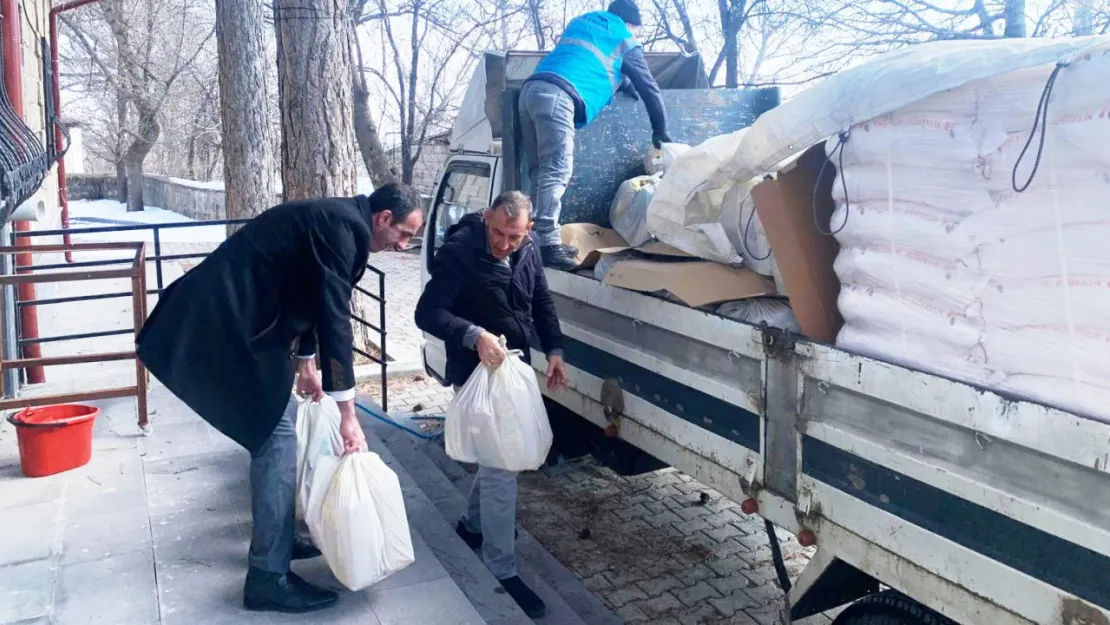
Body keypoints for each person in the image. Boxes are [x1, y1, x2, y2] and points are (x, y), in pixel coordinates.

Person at [136, 183, 424, 614]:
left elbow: (307, 289)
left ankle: (278, 543)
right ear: (383, 218)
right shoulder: (343, 228)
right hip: (220, 323)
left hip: (244, 322)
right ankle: (268, 578)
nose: (404, 245)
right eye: (404, 234)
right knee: (276, 435)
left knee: (280, 426)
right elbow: (334, 317)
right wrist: (349, 412)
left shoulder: (342, 223)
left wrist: (306, 362)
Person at [414, 191, 568, 618]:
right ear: (487, 218)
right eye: (498, 232)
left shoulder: (529, 249)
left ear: (529, 230)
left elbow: (541, 300)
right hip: (475, 371)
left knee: (496, 458)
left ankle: (472, 525)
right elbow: (427, 312)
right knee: (503, 467)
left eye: (513, 237)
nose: (504, 244)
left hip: (513, 367)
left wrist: (554, 348)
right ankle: (502, 571)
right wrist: (474, 335)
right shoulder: (461, 251)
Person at [521, 0, 672, 270]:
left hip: (531, 91)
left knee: (540, 173)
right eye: (635, 29)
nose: (635, 34)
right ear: (629, 24)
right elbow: (649, 88)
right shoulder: (625, 39)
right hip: (559, 97)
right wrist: (660, 131)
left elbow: (585, 62)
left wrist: (622, 82)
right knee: (557, 170)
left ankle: (536, 238)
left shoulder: (583, 22)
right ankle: (548, 244)